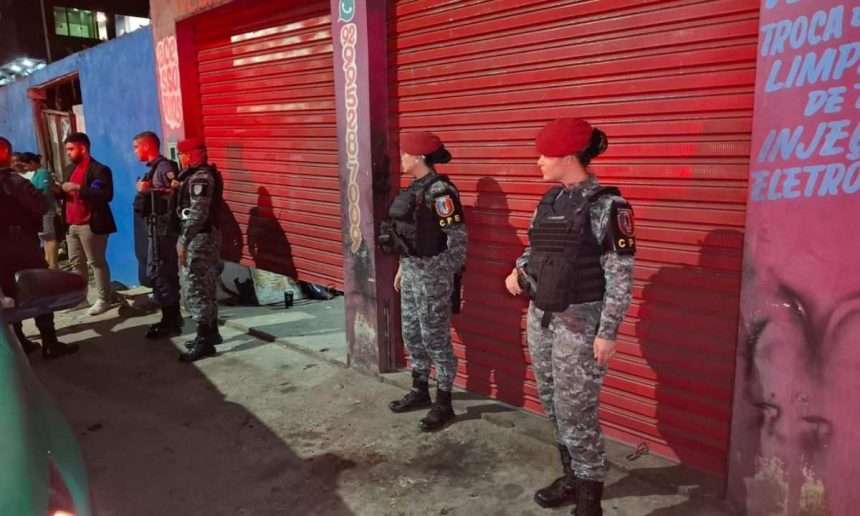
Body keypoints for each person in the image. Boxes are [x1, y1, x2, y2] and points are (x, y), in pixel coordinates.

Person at [503, 119, 635, 515]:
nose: (539, 162)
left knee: (578, 410)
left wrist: (607, 332)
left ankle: (590, 497)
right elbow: (535, 250)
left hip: (581, 324)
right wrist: (518, 270)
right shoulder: (550, 202)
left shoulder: (610, 207)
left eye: (544, 155)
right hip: (542, 319)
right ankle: (573, 477)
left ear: (567, 157)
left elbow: (620, 276)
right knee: (552, 403)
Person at [383, 131, 468, 432]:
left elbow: (457, 241)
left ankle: (444, 404)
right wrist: (403, 268)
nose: (401, 159)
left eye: (405, 154)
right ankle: (420, 391)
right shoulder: (415, 189)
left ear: (419, 157)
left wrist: (436, 272)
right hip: (412, 274)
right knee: (412, 334)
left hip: (433, 278)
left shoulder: (440, 192)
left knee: (436, 340)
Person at [0, 137, 78, 358]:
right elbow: (41, 204)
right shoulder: (13, 180)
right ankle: (49, 342)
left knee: (8, 294)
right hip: (21, 244)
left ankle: (19, 341)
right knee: (38, 290)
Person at [175, 137, 223, 362]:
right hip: (204, 236)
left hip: (199, 238)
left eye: (182, 154)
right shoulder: (200, 175)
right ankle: (211, 333)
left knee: (196, 287)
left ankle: (204, 341)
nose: (181, 159)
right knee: (207, 285)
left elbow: (197, 213)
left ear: (191, 155)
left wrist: (184, 241)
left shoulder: (201, 178)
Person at [132, 131, 183, 339]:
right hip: (156, 228)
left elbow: (175, 193)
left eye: (136, 147)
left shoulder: (164, 168)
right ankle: (171, 318)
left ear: (146, 146)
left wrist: (149, 191)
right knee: (163, 273)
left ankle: (170, 320)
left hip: (163, 229)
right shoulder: (155, 168)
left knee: (159, 273)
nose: (135, 152)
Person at [60, 132, 117, 316]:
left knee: (96, 262)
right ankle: (80, 299)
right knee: (76, 262)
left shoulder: (99, 170)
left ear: (83, 148)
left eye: (71, 149)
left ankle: (104, 299)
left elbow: (105, 195)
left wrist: (78, 188)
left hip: (91, 224)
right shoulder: (69, 170)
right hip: (71, 224)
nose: (68, 153)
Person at [20, 153, 61, 269]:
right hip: (39, 210)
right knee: (45, 238)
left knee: (50, 237)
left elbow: (45, 191)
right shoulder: (36, 174)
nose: (26, 168)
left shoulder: (43, 173)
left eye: (26, 165)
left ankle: (53, 264)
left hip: (46, 209)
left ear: (32, 163)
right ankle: (48, 262)